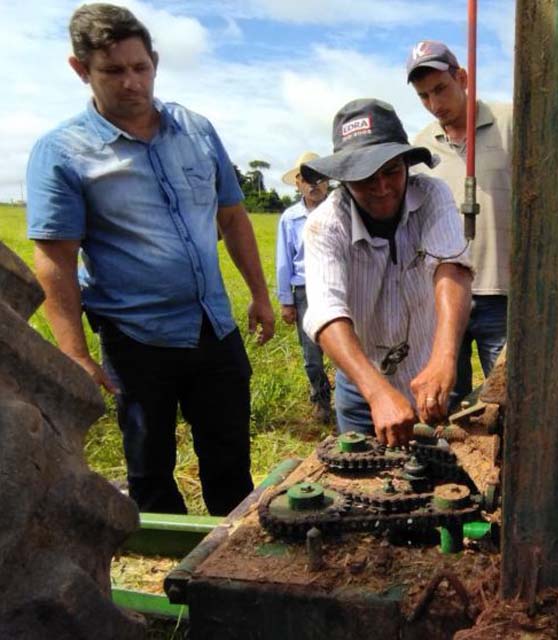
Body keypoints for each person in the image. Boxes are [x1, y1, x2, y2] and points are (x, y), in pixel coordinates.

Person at [26, 3, 274, 516]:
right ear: (81, 70)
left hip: (213, 327)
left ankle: (234, 555)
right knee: (150, 469)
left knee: (231, 461)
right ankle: (172, 557)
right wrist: (76, 354)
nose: (132, 82)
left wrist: (259, 295)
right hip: (136, 339)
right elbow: (55, 259)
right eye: (112, 71)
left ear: (155, 62)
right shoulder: (63, 152)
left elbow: (233, 217)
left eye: (140, 67)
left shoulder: (196, 130)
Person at [301, 99, 472, 447]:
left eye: (392, 171)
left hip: (433, 373)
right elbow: (326, 312)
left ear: (407, 164)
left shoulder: (432, 195)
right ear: (344, 179)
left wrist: (444, 359)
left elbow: (451, 267)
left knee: (448, 470)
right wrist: (377, 393)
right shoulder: (325, 225)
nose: (381, 188)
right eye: (365, 178)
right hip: (363, 384)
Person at [406, 40, 512, 407]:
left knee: (511, 399)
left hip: (502, 293)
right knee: (446, 402)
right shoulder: (422, 146)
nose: (435, 104)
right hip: (444, 296)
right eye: (424, 96)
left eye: (440, 89)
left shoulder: (509, 123)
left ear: (463, 78)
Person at [276, 151, 334, 423]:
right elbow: (283, 261)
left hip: (336, 286)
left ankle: (353, 399)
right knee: (312, 354)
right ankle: (321, 400)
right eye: (306, 179)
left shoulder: (341, 210)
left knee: (349, 345)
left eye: (319, 178)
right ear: (298, 183)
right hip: (305, 292)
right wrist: (286, 301)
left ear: (327, 181)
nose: (313, 184)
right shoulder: (290, 218)